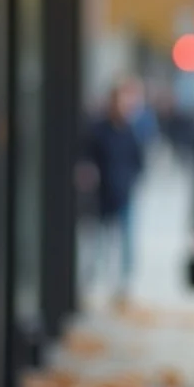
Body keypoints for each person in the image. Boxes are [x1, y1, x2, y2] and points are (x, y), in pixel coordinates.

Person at [78, 80, 147, 306]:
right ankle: (89, 281)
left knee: (125, 241)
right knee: (97, 240)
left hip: (124, 192)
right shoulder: (98, 129)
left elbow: (139, 161)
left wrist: (130, 179)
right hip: (101, 193)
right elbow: (87, 156)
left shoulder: (130, 130)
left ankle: (122, 284)